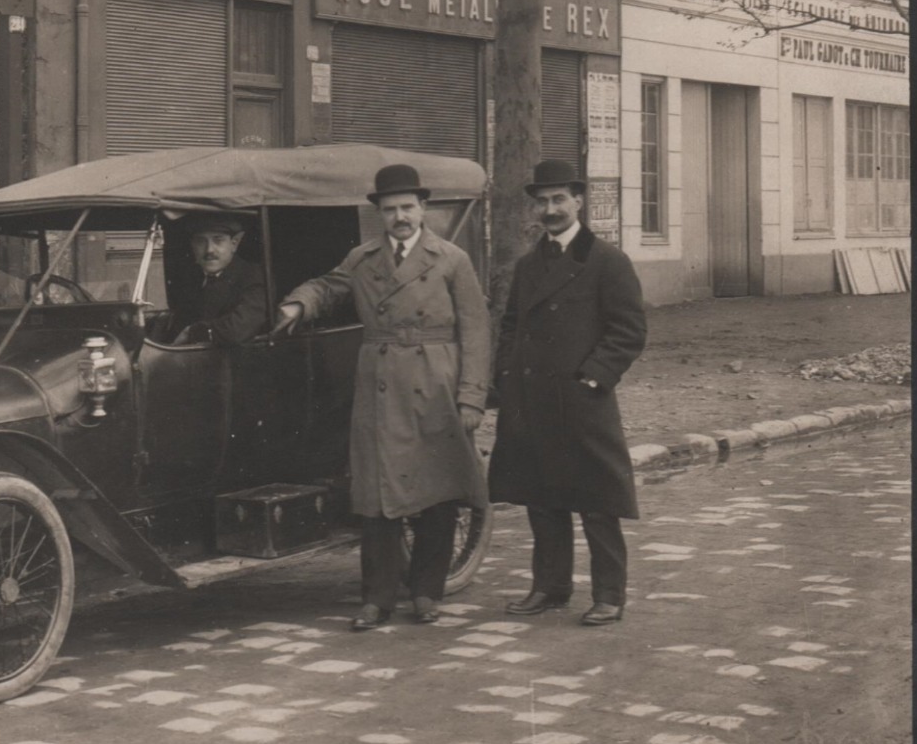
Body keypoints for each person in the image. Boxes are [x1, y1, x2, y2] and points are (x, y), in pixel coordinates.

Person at [274, 164, 490, 629]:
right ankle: (377, 597)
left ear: (423, 209)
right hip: (380, 381)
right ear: (379, 214)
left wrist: (471, 398)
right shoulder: (362, 258)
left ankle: (427, 592)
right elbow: (327, 286)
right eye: (390, 209)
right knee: (375, 494)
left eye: (408, 207)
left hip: (435, 381)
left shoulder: (451, 259)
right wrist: (298, 302)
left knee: (437, 491)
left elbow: (476, 331)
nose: (400, 217)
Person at [489, 159, 647, 628]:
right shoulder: (528, 265)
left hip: (582, 401)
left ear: (579, 201)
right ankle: (550, 587)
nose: (550, 209)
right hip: (533, 399)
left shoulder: (606, 261)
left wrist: (593, 378)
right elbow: (512, 325)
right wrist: (506, 375)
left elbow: (628, 331)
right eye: (543, 201)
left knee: (597, 501)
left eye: (559, 199)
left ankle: (609, 595)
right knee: (543, 498)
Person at [165, 211, 268, 346]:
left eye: (218, 240)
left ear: (234, 244)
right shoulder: (192, 278)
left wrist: (192, 332)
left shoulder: (252, 275)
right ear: (192, 245)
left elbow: (239, 328)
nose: (209, 250)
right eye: (201, 241)